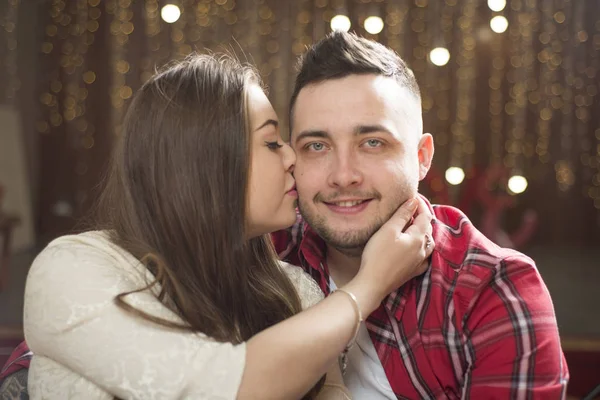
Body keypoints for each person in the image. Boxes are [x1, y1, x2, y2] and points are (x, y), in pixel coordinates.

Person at [20, 54, 434, 399]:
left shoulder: (294, 291)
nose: (293, 158)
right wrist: (370, 284)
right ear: (205, 163)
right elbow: (219, 388)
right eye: (273, 143)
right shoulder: (74, 267)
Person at [273, 31, 569, 399]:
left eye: (372, 143)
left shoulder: (495, 289)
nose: (343, 175)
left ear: (422, 157)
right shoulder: (267, 253)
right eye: (317, 146)